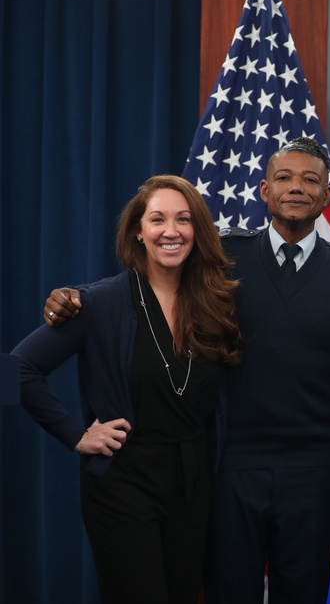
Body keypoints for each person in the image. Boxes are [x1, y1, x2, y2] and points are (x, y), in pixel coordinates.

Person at [45, 138, 330, 604]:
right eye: (284, 177)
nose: (297, 187)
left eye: (311, 180)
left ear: (327, 197)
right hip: (229, 466)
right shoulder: (220, 260)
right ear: (263, 191)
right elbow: (148, 285)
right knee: (227, 591)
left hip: (312, 467)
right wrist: (72, 295)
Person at [17, 175, 242, 604]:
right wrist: (75, 435)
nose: (171, 231)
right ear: (138, 231)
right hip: (123, 485)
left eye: (183, 219)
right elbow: (14, 371)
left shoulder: (217, 303)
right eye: (158, 219)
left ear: (199, 230)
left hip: (195, 485)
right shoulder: (95, 304)